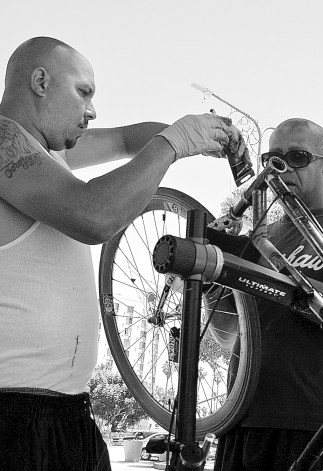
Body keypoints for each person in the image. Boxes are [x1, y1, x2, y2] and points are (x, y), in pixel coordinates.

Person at [0, 37, 244, 470]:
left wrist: (200, 134)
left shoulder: (46, 152)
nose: (92, 110)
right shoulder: (3, 142)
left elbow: (129, 139)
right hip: (15, 418)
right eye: (83, 92)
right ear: (40, 81)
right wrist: (173, 143)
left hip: (67, 411)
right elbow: (93, 215)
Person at [211, 118, 323, 471]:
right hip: (239, 417)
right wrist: (210, 278)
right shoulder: (258, 237)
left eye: (298, 156)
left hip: (313, 421)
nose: (282, 167)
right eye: (271, 158)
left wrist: (271, 272)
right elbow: (229, 336)